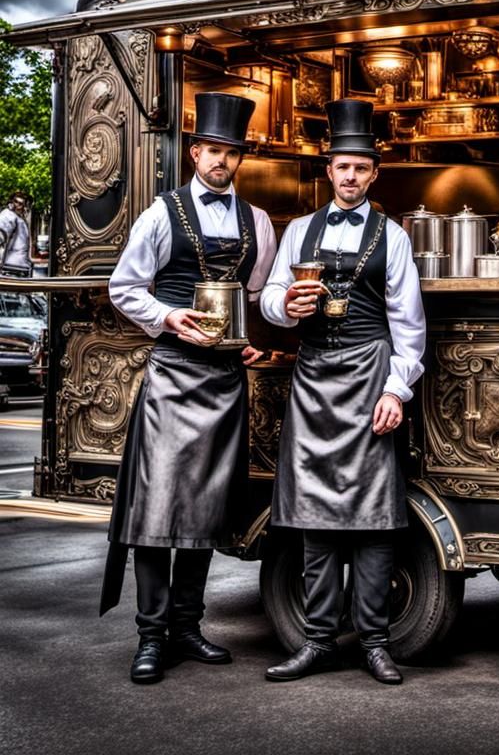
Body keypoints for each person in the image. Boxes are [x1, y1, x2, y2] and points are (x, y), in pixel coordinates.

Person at [102, 92, 277, 684]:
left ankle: (186, 626)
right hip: (174, 375)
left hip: (226, 380)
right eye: (212, 151)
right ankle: (151, 636)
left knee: (203, 507)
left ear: (238, 160)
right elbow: (125, 288)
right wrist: (168, 318)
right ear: (195, 153)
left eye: (231, 154)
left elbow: (254, 296)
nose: (221, 162)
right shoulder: (161, 213)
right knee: (157, 508)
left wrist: (251, 337)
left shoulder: (258, 222)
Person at [260, 98, 425, 685]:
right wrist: (283, 304)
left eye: (360, 167)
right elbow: (269, 300)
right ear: (327, 171)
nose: (350, 175)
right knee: (315, 518)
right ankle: (318, 640)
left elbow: (409, 325)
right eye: (341, 166)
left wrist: (396, 391)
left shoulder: (395, 237)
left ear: (373, 173)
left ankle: (376, 643)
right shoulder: (299, 231)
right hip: (313, 373)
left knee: (375, 518)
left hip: (369, 375)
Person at [0, 191, 32, 277]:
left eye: (21, 204)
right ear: (11, 202)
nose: (17, 205)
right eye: (15, 202)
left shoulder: (19, 218)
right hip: (10, 270)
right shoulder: (8, 215)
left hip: (17, 269)